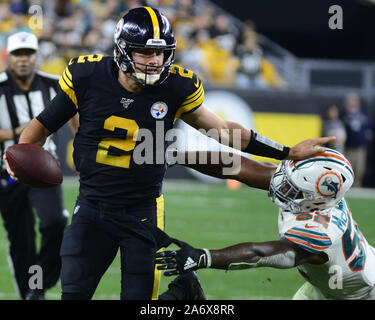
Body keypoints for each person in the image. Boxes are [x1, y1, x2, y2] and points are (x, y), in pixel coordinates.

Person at [5, 7, 333, 300]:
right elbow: (42, 125)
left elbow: (225, 132)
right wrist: (19, 159)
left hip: (142, 209)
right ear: (122, 51)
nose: (155, 61)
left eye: (161, 53)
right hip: (92, 206)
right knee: (74, 293)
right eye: (146, 52)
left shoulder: (176, 86)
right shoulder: (87, 76)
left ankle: (178, 298)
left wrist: (287, 151)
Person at [157, 149, 375, 300]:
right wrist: (176, 155)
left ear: (317, 200)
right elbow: (236, 166)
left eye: (292, 187)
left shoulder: (321, 231)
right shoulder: (312, 194)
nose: (281, 184)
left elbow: (259, 254)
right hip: (326, 286)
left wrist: (203, 256)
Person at [0, 31, 77, 300]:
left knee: (54, 223)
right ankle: (31, 292)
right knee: (21, 240)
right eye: (18, 54)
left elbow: (75, 110)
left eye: (28, 53)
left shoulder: (53, 84)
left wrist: (79, 144)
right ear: (9, 58)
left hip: (45, 168)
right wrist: (17, 132)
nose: (23, 59)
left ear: (36, 56)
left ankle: (40, 282)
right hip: (7, 172)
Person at [342, 93, 373, 187]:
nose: (354, 104)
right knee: (348, 169)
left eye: (355, 101)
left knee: (360, 169)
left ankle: (357, 185)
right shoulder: (344, 116)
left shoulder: (363, 116)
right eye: (351, 102)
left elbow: (369, 127)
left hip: (360, 148)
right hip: (349, 147)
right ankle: (347, 186)